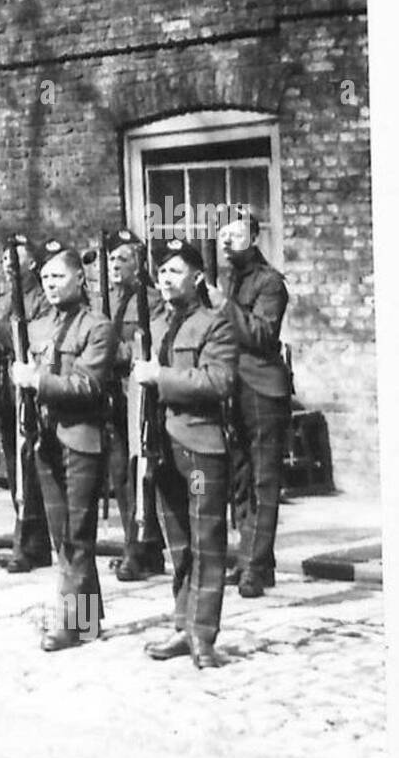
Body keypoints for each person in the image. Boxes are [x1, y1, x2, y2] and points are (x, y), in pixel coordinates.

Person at [132, 239, 238, 670]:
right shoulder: (154, 327)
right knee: (178, 546)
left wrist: (160, 376)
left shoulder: (215, 324)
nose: (165, 279)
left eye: (175, 271)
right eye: (161, 272)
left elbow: (219, 382)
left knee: (205, 544)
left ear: (197, 277)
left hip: (197, 445)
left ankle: (202, 635)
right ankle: (82, 625)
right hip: (158, 446)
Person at [11, 241, 113, 651]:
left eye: (59, 276)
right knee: (63, 535)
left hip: (81, 439)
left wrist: (37, 380)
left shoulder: (97, 326)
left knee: (77, 534)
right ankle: (88, 621)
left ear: (79, 278)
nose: (50, 285)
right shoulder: (43, 325)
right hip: (47, 438)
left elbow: (88, 384)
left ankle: (71, 622)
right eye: (46, 277)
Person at [213, 210, 292, 599]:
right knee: (242, 478)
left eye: (236, 234)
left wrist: (222, 307)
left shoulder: (270, 282)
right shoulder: (232, 280)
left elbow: (261, 334)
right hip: (234, 389)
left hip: (262, 389)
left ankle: (255, 567)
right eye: (222, 233)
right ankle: (253, 559)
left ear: (255, 236)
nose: (226, 241)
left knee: (263, 480)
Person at [104, 228, 168, 582]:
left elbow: (151, 345)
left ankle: (140, 549)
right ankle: (143, 548)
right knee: (120, 475)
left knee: (138, 472)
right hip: (110, 397)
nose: (115, 265)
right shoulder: (109, 301)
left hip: (137, 397)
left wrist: (116, 351)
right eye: (112, 258)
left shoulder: (151, 299)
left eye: (123, 259)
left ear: (139, 264)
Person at [0, 234, 54, 573]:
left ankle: (33, 543)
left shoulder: (41, 301)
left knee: (29, 466)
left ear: (32, 264)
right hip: (7, 392)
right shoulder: (5, 300)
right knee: (16, 471)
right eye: (4, 261)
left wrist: (0, 329)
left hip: (32, 394)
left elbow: (32, 342)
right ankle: (26, 540)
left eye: (16, 260)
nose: (8, 266)